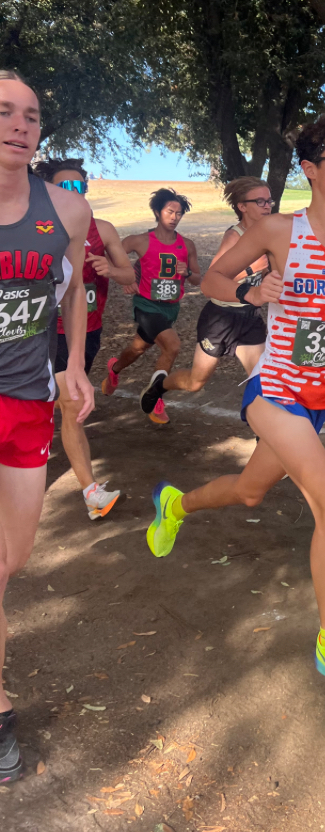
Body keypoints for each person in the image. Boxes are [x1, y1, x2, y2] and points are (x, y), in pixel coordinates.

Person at [144, 113, 325, 703]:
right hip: (273, 391)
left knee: (251, 490)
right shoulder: (279, 231)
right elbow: (210, 279)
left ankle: (175, 504)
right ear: (310, 170)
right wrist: (249, 292)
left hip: (319, 403)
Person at [0, 71, 93, 783]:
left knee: (14, 556)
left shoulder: (65, 208)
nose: (19, 125)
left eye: (31, 115)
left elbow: (75, 288)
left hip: (30, 399)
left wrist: (76, 366)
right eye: (5, 112)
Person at [33, 159, 135, 518]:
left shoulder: (102, 229)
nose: (73, 194)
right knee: (72, 406)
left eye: (79, 187)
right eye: (65, 187)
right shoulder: (38, 227)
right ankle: (91, 493)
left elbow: (130, 278)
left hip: (87, 335)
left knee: (61, 405)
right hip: (46, 334)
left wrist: (112, 269)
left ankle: (35, 452)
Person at [139, 177, 272, 413]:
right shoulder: (235, 236)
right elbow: (212, 278)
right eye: (260, 201)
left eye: (269, 201)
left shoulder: (269, 233)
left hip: (249, 317)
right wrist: (253, 268)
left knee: (264, 379)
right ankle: (159, 387)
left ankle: (265, 435)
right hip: (220, 318)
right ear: (242, 206)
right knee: (195, 382)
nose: (267, 206)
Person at [101, 188, 201, 424]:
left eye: (179, 213)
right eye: (170, 211)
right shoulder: (139, 241)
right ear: (157, 212)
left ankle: (114, 369)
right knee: (172, 346)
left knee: (138, 348)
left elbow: (198, 278)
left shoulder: (187, 244)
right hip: (146, 304)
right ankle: (155, 397)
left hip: (171, 308)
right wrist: (125, 277)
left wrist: (186, 272)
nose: (175, 217)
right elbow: (106, 255)